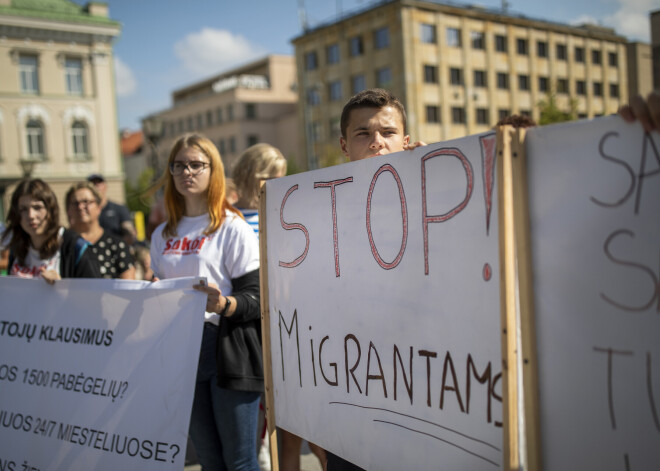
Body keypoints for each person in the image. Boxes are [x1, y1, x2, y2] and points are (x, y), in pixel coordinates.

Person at [149, 133, 262, 470]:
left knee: (239, 461)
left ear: (213, 170)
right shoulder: (161, 235)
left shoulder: (231, 227)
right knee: (209, 460)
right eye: (179, 165)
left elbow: (255, 300)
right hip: (181, 353)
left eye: (196, 164)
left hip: (227, 349)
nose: (187, 172)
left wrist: (222, 304)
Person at [233, 143, 327, 471]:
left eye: (281, 177)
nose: (277, 182)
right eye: (271, 176)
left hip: (291, 327)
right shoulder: (229, 219)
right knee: (280, 431)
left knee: (310, 430)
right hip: (251, 330)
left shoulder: (286, 211)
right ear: (251, 175)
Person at [3, 178, 100, 282]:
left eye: (37, 207)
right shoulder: (17, 247)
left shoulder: (75, 247)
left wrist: (61, 287)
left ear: (51, 210)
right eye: (23, 209)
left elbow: (94, 294)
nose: (31, 215)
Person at [65, 181, 136, 280]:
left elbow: (128, 286)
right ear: (68, 209)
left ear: (99, 207)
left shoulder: (116, 245)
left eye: (86, 202)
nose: (80, 207)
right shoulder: (59, 244)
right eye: (75, 203)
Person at [87, 174, 137, 245]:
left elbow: (128, 227)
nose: (96, 186)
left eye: (99, 183)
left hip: (115, 249)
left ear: (105, 186)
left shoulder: (119, 209)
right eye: (93, 183)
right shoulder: (85, 211)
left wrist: (130, 233)